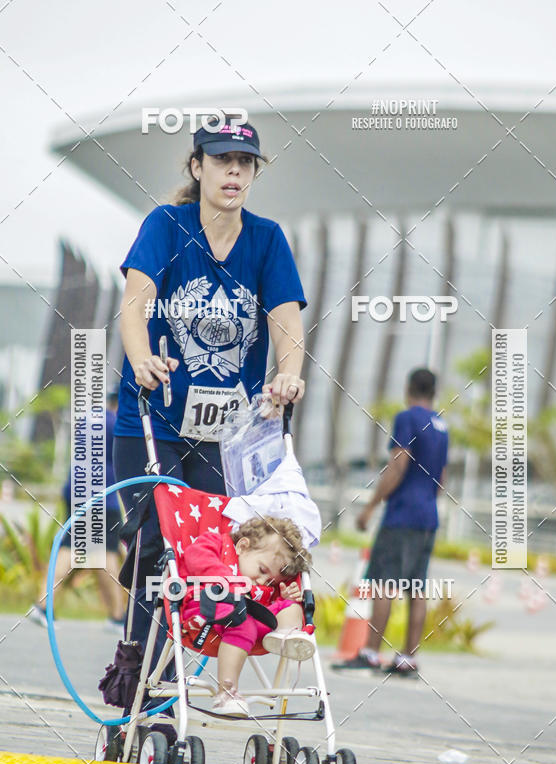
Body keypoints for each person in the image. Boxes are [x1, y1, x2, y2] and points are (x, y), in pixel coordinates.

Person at [112, 117, 307, 714]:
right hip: (154, 425)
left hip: (226, 435)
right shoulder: (166, 227)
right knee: (159, 549)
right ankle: (139, 692)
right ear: (197, 168)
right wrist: (142, 358)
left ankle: (204, 678)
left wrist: (288, 372)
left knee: (223, 554)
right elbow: (134, 305)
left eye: (245, 164)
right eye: (222, 161)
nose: (234, 173)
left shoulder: (267, 239)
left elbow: (287, 323)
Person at [333, 368, 448, 677]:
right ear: (434, 391)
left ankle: (370, 652)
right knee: (416, 585)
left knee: (384, 581)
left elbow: (397, 466)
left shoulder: (407, 418)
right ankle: (408, 658)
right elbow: (443, 476)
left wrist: (370, 507)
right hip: (427, 515)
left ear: (408, 388)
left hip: (402, 514)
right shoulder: (441, 425)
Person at [181, 516, 313, 717]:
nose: (263, 580)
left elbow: (269, 602)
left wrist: (285, 597)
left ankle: (288, 635)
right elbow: (196, 556)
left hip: (256, 624)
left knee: (290, 605)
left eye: (271, 581)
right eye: (262, 570)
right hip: (209, 611)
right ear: (243, 546)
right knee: (243, 621)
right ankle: (226, 691)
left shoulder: (262, 585)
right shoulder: (217, 545)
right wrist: (231, 581)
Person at [29, 391, 126, 632]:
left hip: (77, 490)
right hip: (102, 496)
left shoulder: (90, 418)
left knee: (96, 553)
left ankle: (116, 616)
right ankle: (43, 605)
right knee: (95, 553)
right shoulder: (117, 422)